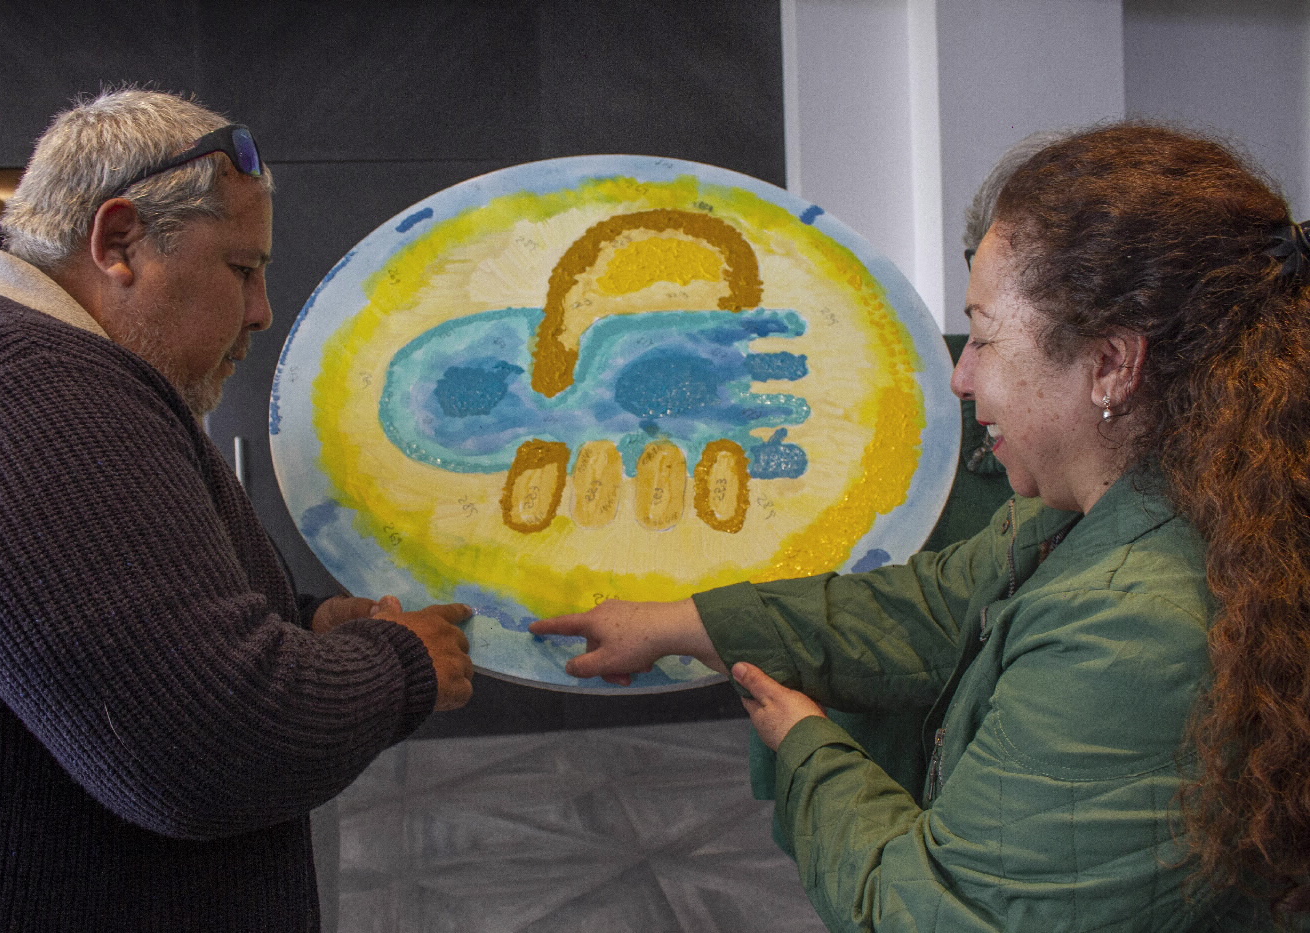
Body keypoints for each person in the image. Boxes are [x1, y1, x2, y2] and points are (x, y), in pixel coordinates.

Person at [532, 122, 1310, 930]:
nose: (960, 377)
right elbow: (935, 607)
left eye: (985, 338)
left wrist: (808, 748)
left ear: (1112, 363)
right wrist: (687, 623)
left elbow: (933, 913)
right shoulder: (1120, 505)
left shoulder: (1132, 633)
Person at [0, 88, 474, 931]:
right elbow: (207, 746)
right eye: (242, 269)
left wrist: (302, 628)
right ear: (119, 241)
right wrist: (403, 663)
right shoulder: (28, 396)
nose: (262, 310)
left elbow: (109, 634)